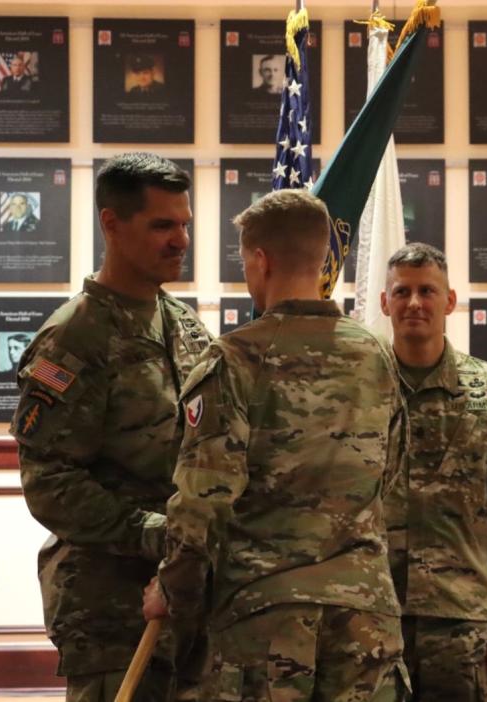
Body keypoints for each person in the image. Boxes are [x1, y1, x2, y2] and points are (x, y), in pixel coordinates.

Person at [143, 188, 410, 701]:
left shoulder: (234, 360)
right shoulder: (377, 356)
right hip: (366, 620)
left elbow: (203, 502)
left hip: (265, 621)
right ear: (323, 257)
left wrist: (172, 593)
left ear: (259, 259)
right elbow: (391, 477)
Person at [10, 152, 210, 701]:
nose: (181, 241)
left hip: (184, 598)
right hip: (110, 611)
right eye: (162, 225)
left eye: (184, 224)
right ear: (112, 223)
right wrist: (152, 531)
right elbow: (49, 482)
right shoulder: (74, 338)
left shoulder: (186, 326)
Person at [380, 242, 487, 701]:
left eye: (427, 291)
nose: (414, 303)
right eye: (402, 292)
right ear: (384, 302)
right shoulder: (357, 390)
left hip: (459, 619)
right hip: (368, 615)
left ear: (450, 301)